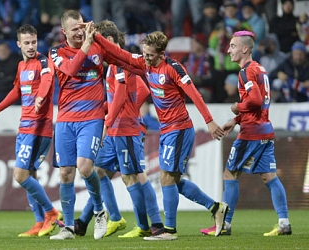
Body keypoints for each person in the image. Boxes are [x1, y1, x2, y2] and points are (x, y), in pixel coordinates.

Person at [91, 26, 229, 240]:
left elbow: (195, 95)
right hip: (167, 130)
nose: (145, 58)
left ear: (162, 54)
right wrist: (97, 38)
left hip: (180, 129)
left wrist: (209, 121)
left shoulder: (174, 69)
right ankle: (215, 207)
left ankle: (169, 231)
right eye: (144, 53)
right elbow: (121, 54)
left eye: (150, 55)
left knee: (166, 178)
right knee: (174, 180)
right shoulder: (144, 64)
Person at [68, 20, 165, 239]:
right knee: (98, 171)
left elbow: (138, 90)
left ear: (108, 41)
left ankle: (151, 224)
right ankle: (100, 219)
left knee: (136, 176)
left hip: (124, 127)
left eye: (97, 42)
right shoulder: (112, 63)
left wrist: (120, 113)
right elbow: (123, 95)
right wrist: (106, 108)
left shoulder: (121, 61)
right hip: (116, 128)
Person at [200, 30, 292, 236]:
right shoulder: (260, 69)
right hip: (265, 130)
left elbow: (255, 101)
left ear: (245, 48)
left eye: (232, 46)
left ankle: (225, 224)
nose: (228, 50)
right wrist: (235, 121)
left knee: (230, 174)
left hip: (251, 133)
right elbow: (260, 105)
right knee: (270, 177)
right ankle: (284, 222)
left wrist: (237, 108)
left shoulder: (245, 71)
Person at [47, 10, 124, 240]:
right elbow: (70, 69)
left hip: (91, 118)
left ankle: (99, 211)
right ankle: (69, 227)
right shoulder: (56, 52)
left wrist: (97, 39)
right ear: (64, 32)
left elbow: (120, 57)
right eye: (74, 29)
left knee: (85, 167)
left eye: (82, 27)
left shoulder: (97, 45)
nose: (80, 32)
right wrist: (88, 43)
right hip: (65, 120)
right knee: (65, 174)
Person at [0, 24, 61, 237]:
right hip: (24, 125)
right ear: (18, 44)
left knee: (20, 174)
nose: (30, 46)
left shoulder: (43, 61)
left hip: (38, 126)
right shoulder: (21, 66)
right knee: (29, 174)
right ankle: (39, 223)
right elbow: (17, 90)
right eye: (26, 43)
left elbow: (47, 79)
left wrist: (41, 97)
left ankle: (51, 213)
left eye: (33, 42)